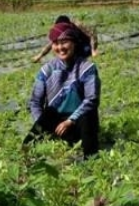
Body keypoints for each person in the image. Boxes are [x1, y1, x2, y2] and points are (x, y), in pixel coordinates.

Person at [26, 27, 101, 158]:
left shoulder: (87, 68)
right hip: (57, 124)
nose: (60, 47)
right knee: (48, 114)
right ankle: (26, 154)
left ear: (74, 43)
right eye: (56, 43)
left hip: (79, 122)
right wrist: (41, 123)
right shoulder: (46, 70)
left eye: (64, 42)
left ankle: (91, 158)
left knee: (88, 114)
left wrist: (70, 121)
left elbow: (92, 99)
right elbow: (35, 102)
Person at [32, 15, 97, 62]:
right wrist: (39, 56)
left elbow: (92, 35)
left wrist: (93, 50)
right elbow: (51, 43)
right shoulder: (58, 30)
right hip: (73, 45)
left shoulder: (77, 25)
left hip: (84, 43)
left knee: (80, 57)